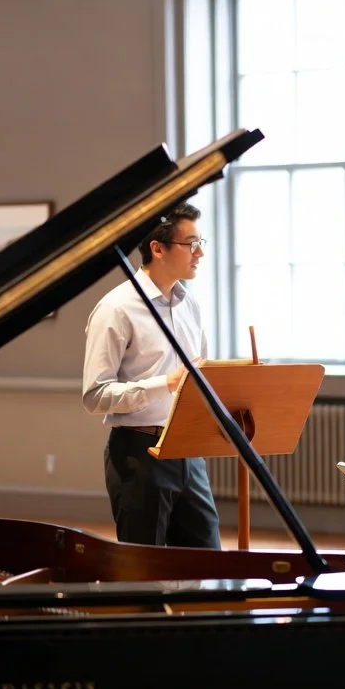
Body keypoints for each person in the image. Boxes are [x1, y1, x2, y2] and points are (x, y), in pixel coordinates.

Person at [82, 201, 221, 548]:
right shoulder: (116, 309)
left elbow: (200, 371)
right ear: (157, 248)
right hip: (139, 453)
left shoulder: (191, 305)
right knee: (146, 570)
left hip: (188, 450)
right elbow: (95, 395)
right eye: (191, 244)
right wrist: (165, 384)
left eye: (201, 242)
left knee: (210, 566)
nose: (200, 253)